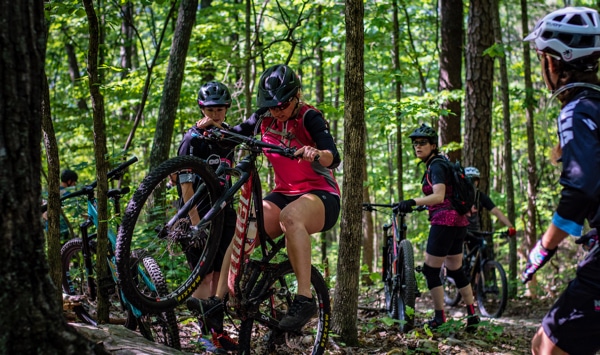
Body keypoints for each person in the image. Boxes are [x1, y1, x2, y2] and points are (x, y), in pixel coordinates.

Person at [186, 64, 341, 339]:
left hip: (321, 194)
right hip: (284, 192)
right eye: (271, 105)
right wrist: (213, 128)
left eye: (282, 105)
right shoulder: (264, 117)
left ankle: (304, 299)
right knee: (242, 229)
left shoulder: (309, 117)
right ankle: (217, 303)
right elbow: (232, 139)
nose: (277, 110)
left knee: (290, 218)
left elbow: (333, 156)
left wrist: (316, 153)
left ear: (296, 97)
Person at [521, 6, 600, 355]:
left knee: (546, 347)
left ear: (553, 63)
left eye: (542, 59)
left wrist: (544, 247)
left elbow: (581, 186)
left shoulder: (578, 111)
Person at [395, 124, 479, 330]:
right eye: (415, 143)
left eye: (422, 143)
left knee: (430, 271)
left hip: (445, 222)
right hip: (458, 223)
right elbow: (446, 197)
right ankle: (472, 315)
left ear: (433, 145)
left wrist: (413, 201)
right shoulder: (440, 164)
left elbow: (439, 196)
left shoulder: (436, 166)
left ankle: (440, 317)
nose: (418, 146)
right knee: (456, 270)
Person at [176, 81, 238, 352]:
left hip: (223, 213)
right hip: (197, 216)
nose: (216, 114)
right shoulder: (192, 139)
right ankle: (206, 340)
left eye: (221, 109)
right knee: (202, 277)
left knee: (216, 278)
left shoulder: (228, 137)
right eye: (211, 109)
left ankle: (217, 335)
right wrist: (195, 223)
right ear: (202, 109)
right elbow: (185, 183)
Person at [464, 166, 516, 235]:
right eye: (468, 180)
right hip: (458, 231)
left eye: (474, 180)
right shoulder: (457, 195)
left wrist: (510, 227)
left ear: (477, 182)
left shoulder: (480, 197)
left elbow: (496, 212)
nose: (472, 183)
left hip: (475, 232)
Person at [43, 169, 79, 240]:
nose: (74, 184)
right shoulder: (67, 195)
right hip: (63, 230)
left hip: (50, 230)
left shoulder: (50, 192)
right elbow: (76, 212)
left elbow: (43, 212)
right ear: (69, 181)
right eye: (74, 182)